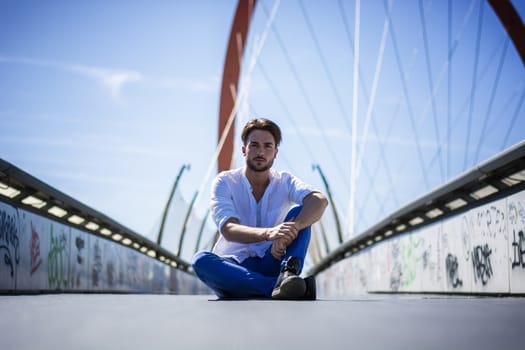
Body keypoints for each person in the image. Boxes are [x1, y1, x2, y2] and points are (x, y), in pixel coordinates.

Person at [192, 118, 328, 300]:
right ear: (244, 149)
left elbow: (320, 201)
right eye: (254, 145)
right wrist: (269, 233)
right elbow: (229, 229)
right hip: (235, 267)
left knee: (300, 213)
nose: (260, 152)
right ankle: (281, 287)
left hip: (274, 259)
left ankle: (288, 275)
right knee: (201, 261)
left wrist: (292, 229)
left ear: (275, 152)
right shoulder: (225, 182)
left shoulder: (285, 181)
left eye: (267, 146)